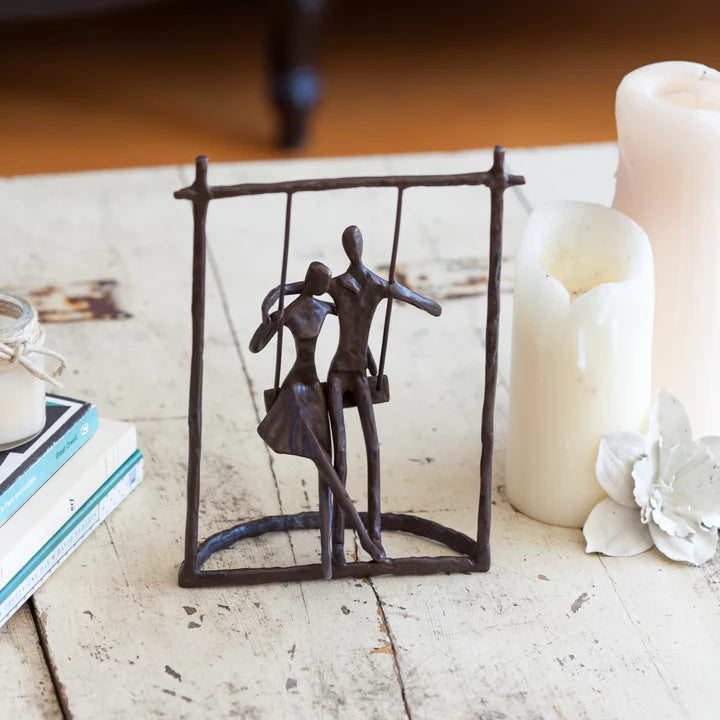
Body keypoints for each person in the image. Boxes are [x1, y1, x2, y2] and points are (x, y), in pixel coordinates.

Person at [260, 227, 442, 565]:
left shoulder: (376, 284)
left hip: (359, 373)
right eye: (349, 243)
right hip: (334, 373)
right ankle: (340, 547)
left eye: (356, 242)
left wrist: (428, 305)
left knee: (373, 446)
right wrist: (272, 303)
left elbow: (417, 301)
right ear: (346, 248)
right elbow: (306, 288)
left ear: (361, 246)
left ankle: (372, 533)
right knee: (339, 453)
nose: (353, 247)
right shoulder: (337, 286)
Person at [250, 261, 385, 579]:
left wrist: (371, 365)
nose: (326, 287)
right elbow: (256, 346)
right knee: (326, 465)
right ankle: (363, 538)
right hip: (296, 391)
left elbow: (355, 333)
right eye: (323, 282)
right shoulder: (304, 310)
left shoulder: (318, 307)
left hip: (314, 390)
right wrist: (269, 313)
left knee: (329, 471)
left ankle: (330, 557)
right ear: (317, 283)